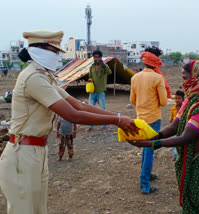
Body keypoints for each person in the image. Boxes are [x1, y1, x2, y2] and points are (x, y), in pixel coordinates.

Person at [0, 30, 138, 214]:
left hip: (36, 152)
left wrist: (117, 115)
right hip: (22, 152)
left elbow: (79, 105)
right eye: (54, 50)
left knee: (39, 209)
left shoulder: (46, 77)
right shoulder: (33, 78)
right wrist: (117, 120)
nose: (57, 56)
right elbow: (72, 115)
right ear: (39, 50)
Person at [128, 60, 199, 213]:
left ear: (197, 78)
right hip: (195, 160)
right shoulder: (190, 100)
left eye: (185, 78)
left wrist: (152, 145)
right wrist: (151, 136)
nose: (183, 83)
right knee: (194, 199)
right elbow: (174, 126)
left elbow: (186, 137)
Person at [130, 47, 168, 194]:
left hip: (140, 118)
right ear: (157, 61)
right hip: (154, 118)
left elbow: (132, 100)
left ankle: (146, 174)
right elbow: (164, 102)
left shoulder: (135, 77)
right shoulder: (158, 78)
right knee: (150, 149)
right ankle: (144, 183)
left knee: (146, 149)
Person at [88, 50, 112, 131]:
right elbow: (89, 77)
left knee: (102, 110)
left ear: (101, 58)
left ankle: (104, 126)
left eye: (98, 57)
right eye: (95, 57)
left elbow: (109, 72)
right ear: (93, 58)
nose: (96, 58)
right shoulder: (91, 67)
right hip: (92, 92)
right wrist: (90, 81)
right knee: (90, 110)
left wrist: (103, 64)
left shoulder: (104, 66)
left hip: (101, 91)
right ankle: (91, 126)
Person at [169, 90, 185, 161]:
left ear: (183, 99)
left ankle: (182, 155)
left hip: (183, 128)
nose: (177, 100)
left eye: (179, 98)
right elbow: (171, 119)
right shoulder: (173, 109)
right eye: (176, 98)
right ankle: (175, 155)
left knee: (182, 141)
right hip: (175, 128)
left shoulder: (185, 109)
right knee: (174, 142)